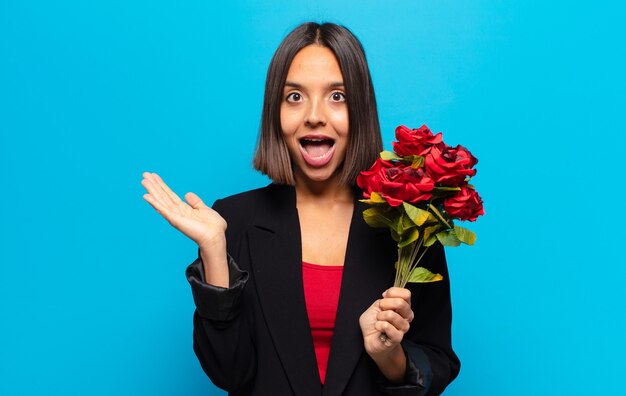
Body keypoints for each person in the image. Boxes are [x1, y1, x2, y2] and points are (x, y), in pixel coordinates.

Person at [141, 22, 460, 395]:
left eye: (337, 96)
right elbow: (230, 373)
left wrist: (389, 356)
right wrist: (214, 251)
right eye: (294, 96)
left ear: (361, 108)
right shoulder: (235, 221)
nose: (314, 115)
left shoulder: (409, 224)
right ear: (275, 112)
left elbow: (438, 360)